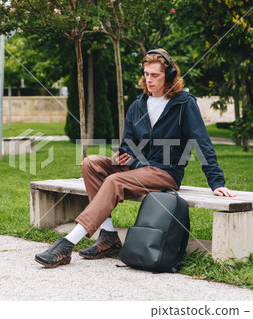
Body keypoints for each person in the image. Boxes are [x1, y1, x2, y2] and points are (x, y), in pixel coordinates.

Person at [35, 49, 236, 268]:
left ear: (169, 76)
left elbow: (202, 142)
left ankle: (66, 244)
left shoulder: (184, 104)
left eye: (155, 75)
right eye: (146, 74)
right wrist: (121, 155)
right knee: (90, 163)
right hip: (136, 169)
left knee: (114, 181)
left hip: (165, 172)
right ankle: (108, 236)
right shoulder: (137, 105)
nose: (149, 80)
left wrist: (217, 182)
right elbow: (128, 144)